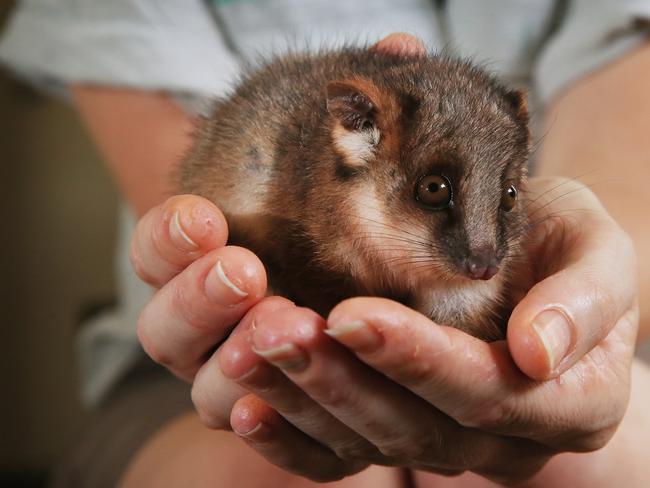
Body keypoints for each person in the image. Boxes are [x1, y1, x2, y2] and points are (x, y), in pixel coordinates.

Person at [1, 1, 649, 486]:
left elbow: (620, 194)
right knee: (285, 465)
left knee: (575, 465)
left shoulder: (485, 219)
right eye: (431, 193)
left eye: (507, 201)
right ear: (358, 136)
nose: (483, 252)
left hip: (600, 345)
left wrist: (584, 297)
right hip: (190, 371)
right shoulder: (326, 159)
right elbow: (205, 222)